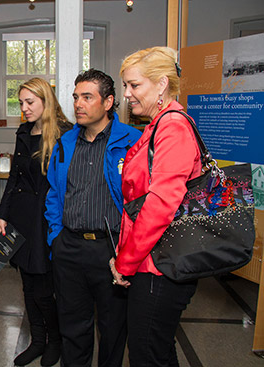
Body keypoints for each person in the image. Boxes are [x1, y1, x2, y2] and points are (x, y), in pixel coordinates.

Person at [110, 47, 202, 366]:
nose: (127, 94)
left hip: (160, 266)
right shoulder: (156, 125)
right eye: (126, 86)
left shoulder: (172, 127)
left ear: (161, 84)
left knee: (147, 354)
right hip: (151, 260)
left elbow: (159, 205)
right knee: (157, 350)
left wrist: (126, 262)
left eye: (134, 85)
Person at [45, 69, 142, 367]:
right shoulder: (65, 143)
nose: (78, 104)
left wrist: (130, 252)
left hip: (111, 251)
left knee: (113, 329)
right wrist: (56, 238)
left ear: (109, 101)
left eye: (87, 97)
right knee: (73, 327)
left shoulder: (133, 141)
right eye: (76, 97)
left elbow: (143, 201)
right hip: (70, 248)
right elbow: (53, 193)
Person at [0, 78, 72, 367]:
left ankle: (56, 340)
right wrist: (2, 213)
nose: (24, 109)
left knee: (43, 286)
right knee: (27, 285)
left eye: (30, 102)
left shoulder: (65, 134)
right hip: (21, 216)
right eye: (21, 103)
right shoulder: (24, 132)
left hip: (47, 220)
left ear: (46, 101)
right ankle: (37, 340)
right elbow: (14, 176)